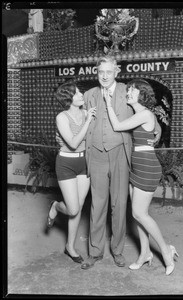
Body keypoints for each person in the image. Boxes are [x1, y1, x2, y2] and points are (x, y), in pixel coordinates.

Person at [81, 56, 161, 270]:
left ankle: (117, 251)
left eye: (109, 72)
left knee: (119, 204)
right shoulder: (89, 95)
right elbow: (80, 122)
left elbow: (147, 114)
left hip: (120, 155)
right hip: (96, 155)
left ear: (116, 72)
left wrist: (156, 133)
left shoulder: (129, 91)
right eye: (101, 72)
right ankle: (95, 252)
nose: (105, 76)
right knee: (97, 205)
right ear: (96, 73)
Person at [104, 78, 179, 275]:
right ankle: (145, 253)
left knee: (139, 213)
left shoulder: (145, 113)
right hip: (136, 167)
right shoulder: (141, 114)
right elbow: (155, 129)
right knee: (137, 216)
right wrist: (158, 129)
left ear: (142, 94)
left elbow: (118, 126)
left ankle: (165, 250)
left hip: (147, 168)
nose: (128, 92)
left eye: (133, 90)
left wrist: (107, 102)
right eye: (127, 89)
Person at [46, 81, 96, 263]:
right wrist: (88, 121)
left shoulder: (85, 112)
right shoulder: (62, 117)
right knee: (72, 208)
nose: (81, 94)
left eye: (80, 91)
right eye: (76, 93)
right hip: (66, 163)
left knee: (78, 208)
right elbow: (73, 143)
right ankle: (55, 206)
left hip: (84, 162)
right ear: (68, 99)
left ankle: (70, 247)